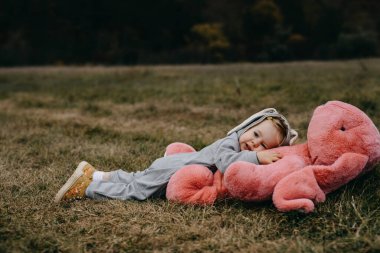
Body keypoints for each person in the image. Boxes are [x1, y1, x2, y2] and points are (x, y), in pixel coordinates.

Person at [54, 108, 298, 203]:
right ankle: (86, 188)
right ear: (246, 127)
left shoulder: (238, 145)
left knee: (136, 178)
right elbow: (226, 163)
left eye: (263, 145)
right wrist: (257, 158)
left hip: (170, 165)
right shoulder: (230, 144)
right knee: (136, 192)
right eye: (254, 134)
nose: (254, 143)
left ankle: (97, 174)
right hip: (170, 170)